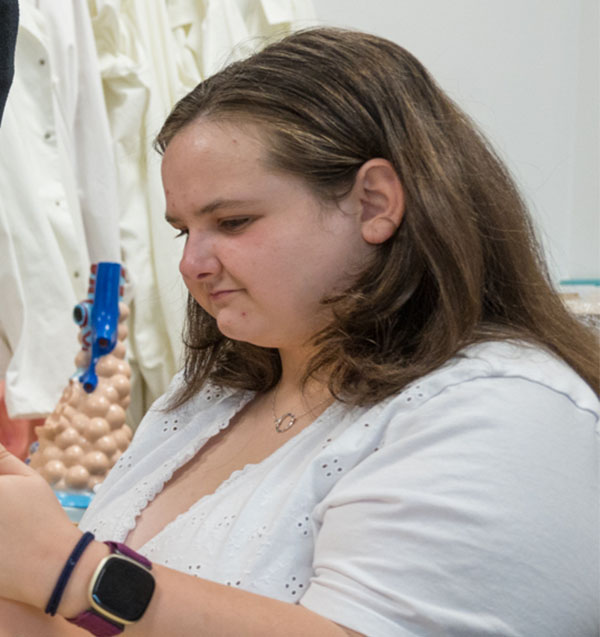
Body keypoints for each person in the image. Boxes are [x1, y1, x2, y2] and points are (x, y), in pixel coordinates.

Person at [0, 27, 598, 637]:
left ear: (373, 203)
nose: (191, 264)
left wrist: (66, 568)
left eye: (232, 221)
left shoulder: (508, 411)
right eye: (183, 230)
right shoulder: (208, 400)